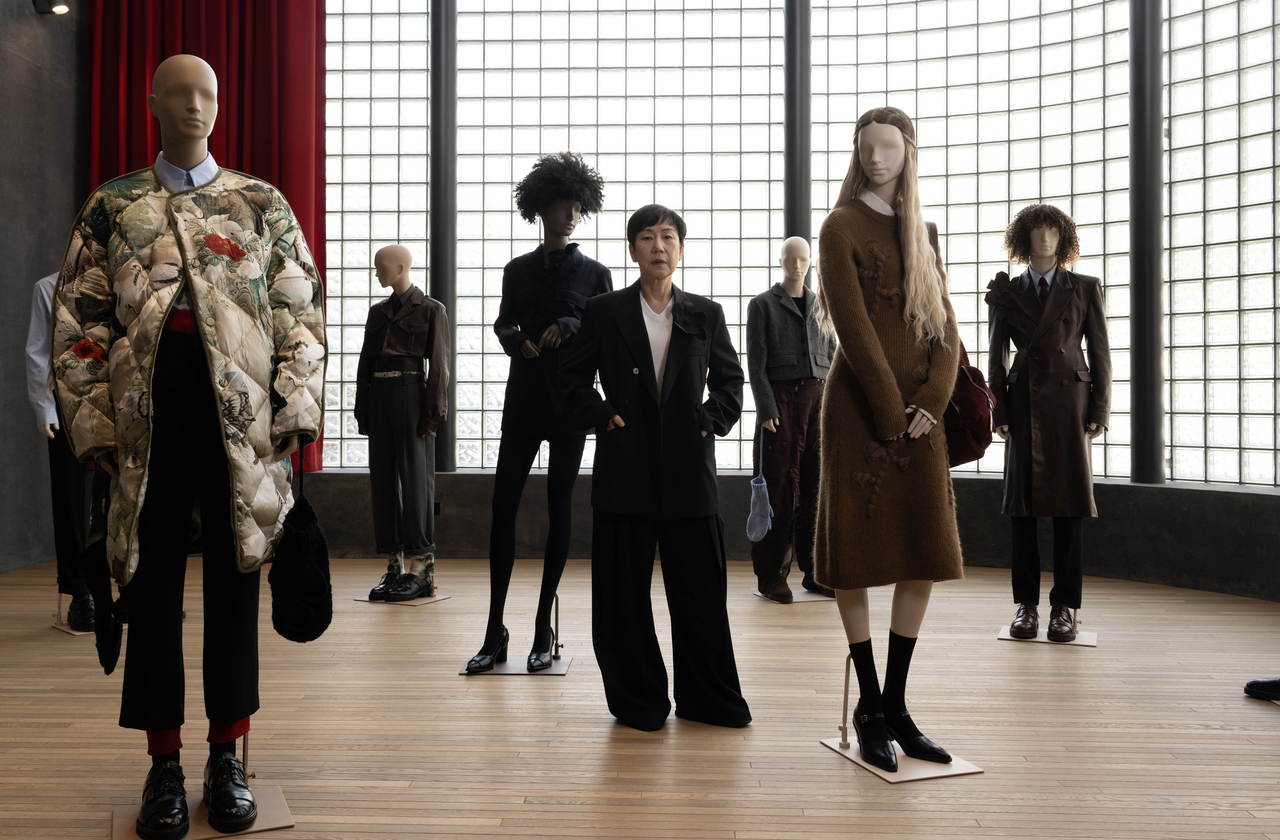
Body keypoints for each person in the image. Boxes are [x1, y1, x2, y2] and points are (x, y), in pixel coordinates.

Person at [51, 55, 326, 839]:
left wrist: (292, 408)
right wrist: (97, 424)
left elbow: (298, 311)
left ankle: (228, 758)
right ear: (152, 105)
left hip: (238, 418)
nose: (195, 107)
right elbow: (79, 323)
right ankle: (162, 762)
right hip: (148, 417)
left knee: (238, 581)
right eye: (179, 94)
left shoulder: (258, 203)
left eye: (207, 93)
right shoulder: (114, 205)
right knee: (153, 585)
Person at [559, 204, 751, 731]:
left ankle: (708, 700)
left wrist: (710, 421)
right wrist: (602, 415)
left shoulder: (705, 313)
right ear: (633, 250)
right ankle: (639, 701)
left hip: (691, 474)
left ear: (681, 249)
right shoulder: (604, 311)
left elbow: (731, 384)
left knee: (701, 596)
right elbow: (570, 380)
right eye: (647, 238)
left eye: (668, 237)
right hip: (626, 472)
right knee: (623, 597)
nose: (659, 247)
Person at [814, 106, 962, 773]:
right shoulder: (838, 227)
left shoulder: (924, 230)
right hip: (861, 412)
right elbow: (852, 327)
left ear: (908, 153)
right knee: (858, 552)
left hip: (920, 417)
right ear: (856, 153)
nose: (877, 158)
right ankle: (868, 704)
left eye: (889, 148)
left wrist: (931, 400)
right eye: (866, 148)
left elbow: (945, 329)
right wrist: (888, 410)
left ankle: (897, 707)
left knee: (921, 551)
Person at [466, 152, 612, 673]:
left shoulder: (596, 273)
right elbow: (503, 323)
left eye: (576, 205)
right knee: (502, 507)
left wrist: (569, 328)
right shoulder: (517, 270)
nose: (570, 214)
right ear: (541, 207)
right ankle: (494, 629)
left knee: (559, 510)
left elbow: (603, 337)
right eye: (560, 204)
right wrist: (518, 339)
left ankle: (543, 627)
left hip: (570, 403)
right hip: (525, 397)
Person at [986, 204, 1111, 643]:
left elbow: (1100, 354)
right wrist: (997, 411)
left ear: (1064, 238)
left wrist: (1100, 410)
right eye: (1036, 231)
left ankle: (1065, 607)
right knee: (1022, 510)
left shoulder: (1084, 286)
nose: (1044, 239)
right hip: (1023, 406)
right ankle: (1027, 606)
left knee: (1070, 508)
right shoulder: (1007, 291)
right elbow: (996, 359)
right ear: (1022, 238)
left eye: (1052, 231)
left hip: (1070, 406)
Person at [357, 244, 450, 603]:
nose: (377, 273)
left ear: (399, 268)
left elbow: (439, 368)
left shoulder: (430, 310)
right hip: (379, 394)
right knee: (382, 480)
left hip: (411, 393)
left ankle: (421, 569)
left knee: (415, 482)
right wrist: (361, 409)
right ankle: (394, 568)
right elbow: (365, 363)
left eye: (381, 268)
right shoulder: (377, 313)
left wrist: (433, 414)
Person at [745, 236, 835, 603]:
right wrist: (766, 408)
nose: (796, 265)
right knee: (778, 489)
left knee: (816, 488)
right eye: (790, 258)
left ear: (811, 261)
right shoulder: (763, 305)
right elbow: (756, 361)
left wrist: (832, 406)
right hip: (781, 402)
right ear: (780, 260)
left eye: (803, 259)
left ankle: (814, 572)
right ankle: (770, 575)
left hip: (818, 401)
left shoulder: (822, 306)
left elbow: (832, 355)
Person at [27, 272, 93, 630]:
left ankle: (132, 587)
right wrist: (44, 408)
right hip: (66, 400)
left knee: (125, 491)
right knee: (69, 493)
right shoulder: (48, 288)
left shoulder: (125, 280)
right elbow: (38, 352)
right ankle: (78, 592)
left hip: (117, 397)